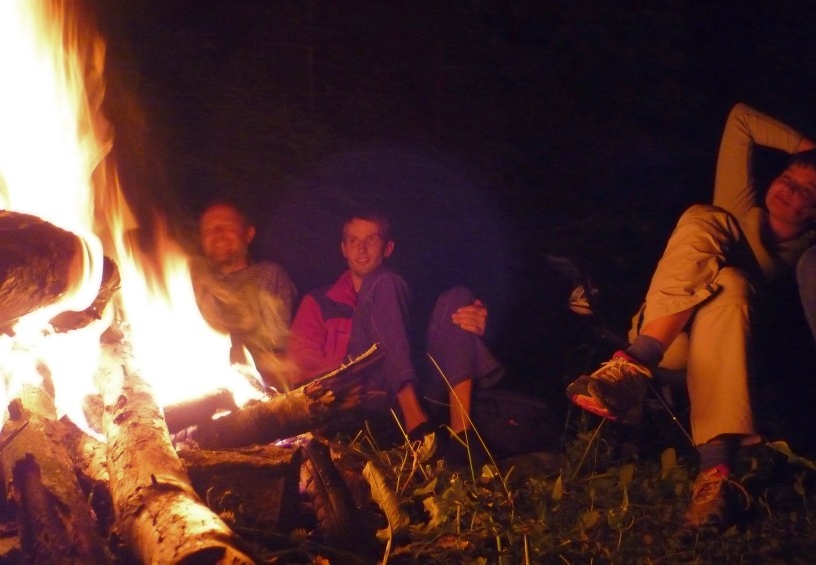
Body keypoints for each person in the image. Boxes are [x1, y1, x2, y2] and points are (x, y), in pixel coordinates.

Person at [566, 103, 816, 528]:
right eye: (787, 178)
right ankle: (636, 363)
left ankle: (715, 479)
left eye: (806, 192)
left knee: (734, 283)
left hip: (735, 355)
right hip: (671, 340)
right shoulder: (739, 213)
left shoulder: (806, 258)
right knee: (705, 215)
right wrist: (809, 149)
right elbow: (740, 120)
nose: (788, 191)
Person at [287, 210, 504, 462]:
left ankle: (463, 435)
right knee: (383, 282)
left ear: (388, 248)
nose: (362, 249)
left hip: (422, 392)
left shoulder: (405, 296)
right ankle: (416, 426)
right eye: (353, 241)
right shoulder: (319, 302)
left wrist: (478, 326)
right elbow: (301, 368)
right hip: (360, 398)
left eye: (371, 240)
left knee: (458, 297)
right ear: (343, 248)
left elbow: (438, 348)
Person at [193, 200, 298, 387]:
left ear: (248, 234)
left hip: (250, 386)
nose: (217, 234)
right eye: (208, 230)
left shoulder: (268, 274)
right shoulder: (188, 282)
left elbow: (277, 352)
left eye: (226, 226)